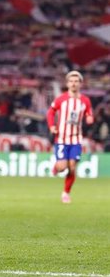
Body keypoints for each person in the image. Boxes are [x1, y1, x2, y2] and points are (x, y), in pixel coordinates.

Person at [46, 70, 94, 204]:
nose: (73, 84)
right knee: (63, 167)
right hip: (61, 138)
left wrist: (90, 118)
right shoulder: (61, 99)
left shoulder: (85, 100)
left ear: (80, 84)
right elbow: (50, 112)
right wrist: (51, 126)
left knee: (72, 167)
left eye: (76, 81)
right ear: (67, 84)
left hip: (76, 139)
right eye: (71, 81)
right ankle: (57, 167)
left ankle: (66, 193)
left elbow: (89, 114)